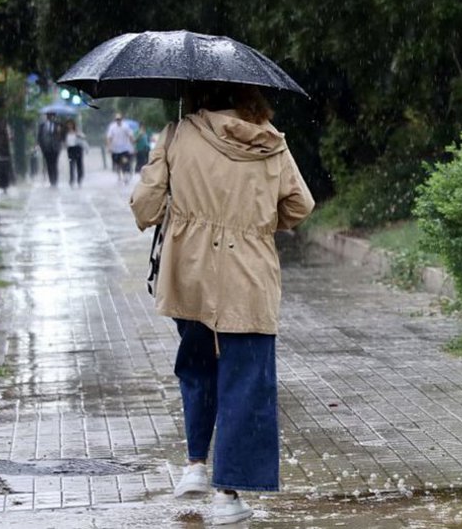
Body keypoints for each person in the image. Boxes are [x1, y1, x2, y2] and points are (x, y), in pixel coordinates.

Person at [130, 83, 314, 526]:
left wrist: (180, 191)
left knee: (197, 366)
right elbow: (299, 205)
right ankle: (227, 495)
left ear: (199, 95)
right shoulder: (270, 142)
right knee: (245, 381)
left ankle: (195, 464)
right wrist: (257, 221)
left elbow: (145, 206)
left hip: (189, 273)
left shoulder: (177, 134)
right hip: (248, 277)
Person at [106, 113, 135, 184]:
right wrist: (109, 147)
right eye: (117, 119)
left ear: (122, 119)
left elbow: (130, 136)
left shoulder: (126, 126)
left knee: (125, 162)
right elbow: (109, 137)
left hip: (124, 149)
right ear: (115, 120)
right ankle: (119, 177)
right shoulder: (112, 127)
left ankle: (125, 175)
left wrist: (133, 146)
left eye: (119, 119)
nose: (118, 120)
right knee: (117, 164)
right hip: (115, 149)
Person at [36, 112, 63, 187]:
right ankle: (51, 181)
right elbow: (39, 136)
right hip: (46, 148)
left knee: (54, 164)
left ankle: (55, 180)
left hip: (55, 147)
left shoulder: (58, 124)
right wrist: (40, 145)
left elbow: (61, 136)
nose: (50, 116)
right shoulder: (42, 125)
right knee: (49, 164)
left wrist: (59, 132)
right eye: (48, 115)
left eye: (51, 115)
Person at [64, 119, 87, 187]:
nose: (70, 126)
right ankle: (71, 180)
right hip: (70, 150)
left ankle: (79, 179)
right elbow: (65, 141)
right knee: (71, 165)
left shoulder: (77, 131)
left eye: (71, 124)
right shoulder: (66, 132)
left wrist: (78, 134)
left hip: (77, 149)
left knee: (79, 165)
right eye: (68, 124)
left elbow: (83, 136)